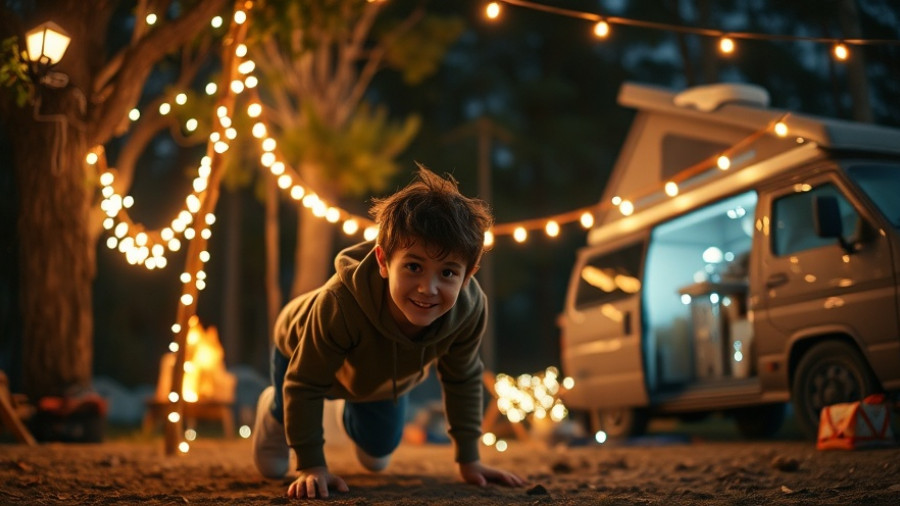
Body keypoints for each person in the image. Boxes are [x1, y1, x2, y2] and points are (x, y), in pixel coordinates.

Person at [252, 164, 526, 499]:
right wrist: (311, 465)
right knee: (272, 465)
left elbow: (463, 378)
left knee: (377, 457)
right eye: (413, 266)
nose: (428, 288)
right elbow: (304, 383)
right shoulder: (339, 304)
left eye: (448, 273)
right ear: (383, 261)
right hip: (298, 351)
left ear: (468, 275)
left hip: (377, 376)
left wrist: (469, 461)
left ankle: (342, 407)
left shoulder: (468, 310)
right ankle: (274, 409)